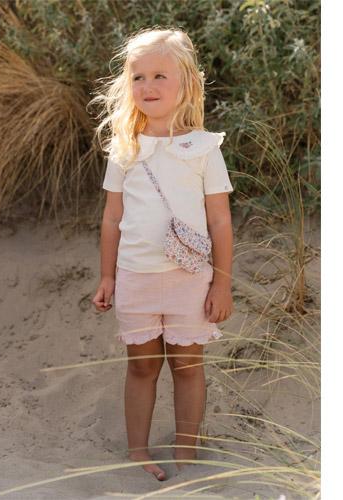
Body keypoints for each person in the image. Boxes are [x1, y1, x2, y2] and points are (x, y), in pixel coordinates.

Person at [90, 27, 234, 481]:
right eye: (138, 77)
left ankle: (186, 449)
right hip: (136, 278)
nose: (147, 86)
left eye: (159, 76)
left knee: (188, 367)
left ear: (186, 83)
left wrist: (222, 283)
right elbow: (112, 217)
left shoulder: (204, 148)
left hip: (190, 280)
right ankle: (138, 449)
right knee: (142, 367)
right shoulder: (125, 148)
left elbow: (220, 222)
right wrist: (107, 277)